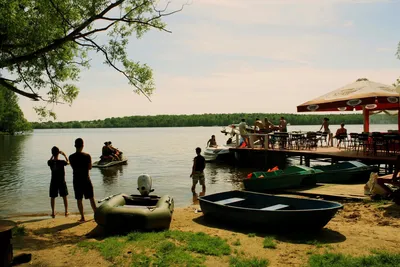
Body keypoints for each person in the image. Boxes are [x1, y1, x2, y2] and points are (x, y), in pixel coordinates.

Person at [69, 138, 96, 222]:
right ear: (83, 145)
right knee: (91, 198)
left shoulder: (71, 157)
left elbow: (73, 167)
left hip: (76, 180)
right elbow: (90, 167)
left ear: (75, 146)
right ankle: (96, 214)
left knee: (79, 199)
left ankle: (82, 217)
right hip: (86, 179)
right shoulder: (87, 156)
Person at [47, 146, 69, 218]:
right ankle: (66, 211)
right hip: (61, 181)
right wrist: (64, 155)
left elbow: (49, 161)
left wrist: (52, 156)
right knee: (64, 196)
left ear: (52, 153)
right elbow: (68, 162)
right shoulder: (62, 162)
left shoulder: (50, 162)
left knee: (52, 197)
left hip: (53, 181)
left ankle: (53, 212)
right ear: (58, 153)